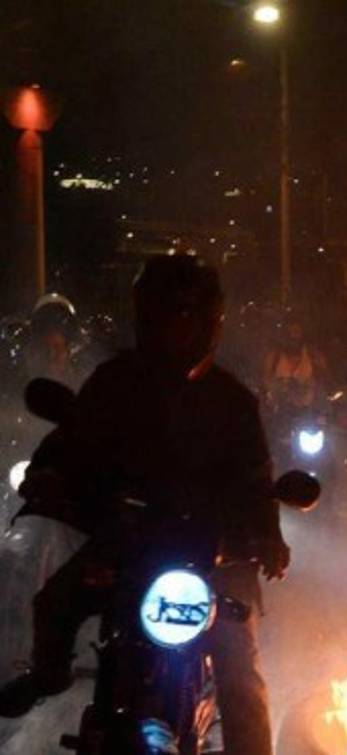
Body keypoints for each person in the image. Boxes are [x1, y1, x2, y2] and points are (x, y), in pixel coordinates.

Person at [0, 255, 290, 755]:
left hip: (214, 555)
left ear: (210, 322)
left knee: (241, 679)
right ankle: (47, 675)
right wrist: (49, 476)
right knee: (55, 600)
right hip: (130, 544)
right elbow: (73, 440)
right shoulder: (115, 383)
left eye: (187, 315)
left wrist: (268, 535)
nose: (176, 328)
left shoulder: (233, 402)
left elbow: (256, 482)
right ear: (144, 317)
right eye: (164, 314)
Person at [263, 316, 329, 417]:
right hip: (280, 414)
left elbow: (323, 381)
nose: (293, 336)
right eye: (290, 332)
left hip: (307, 414)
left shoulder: (313, 355)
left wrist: (321, 415)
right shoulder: (274, 357)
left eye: (297, 332)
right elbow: (266, 381)